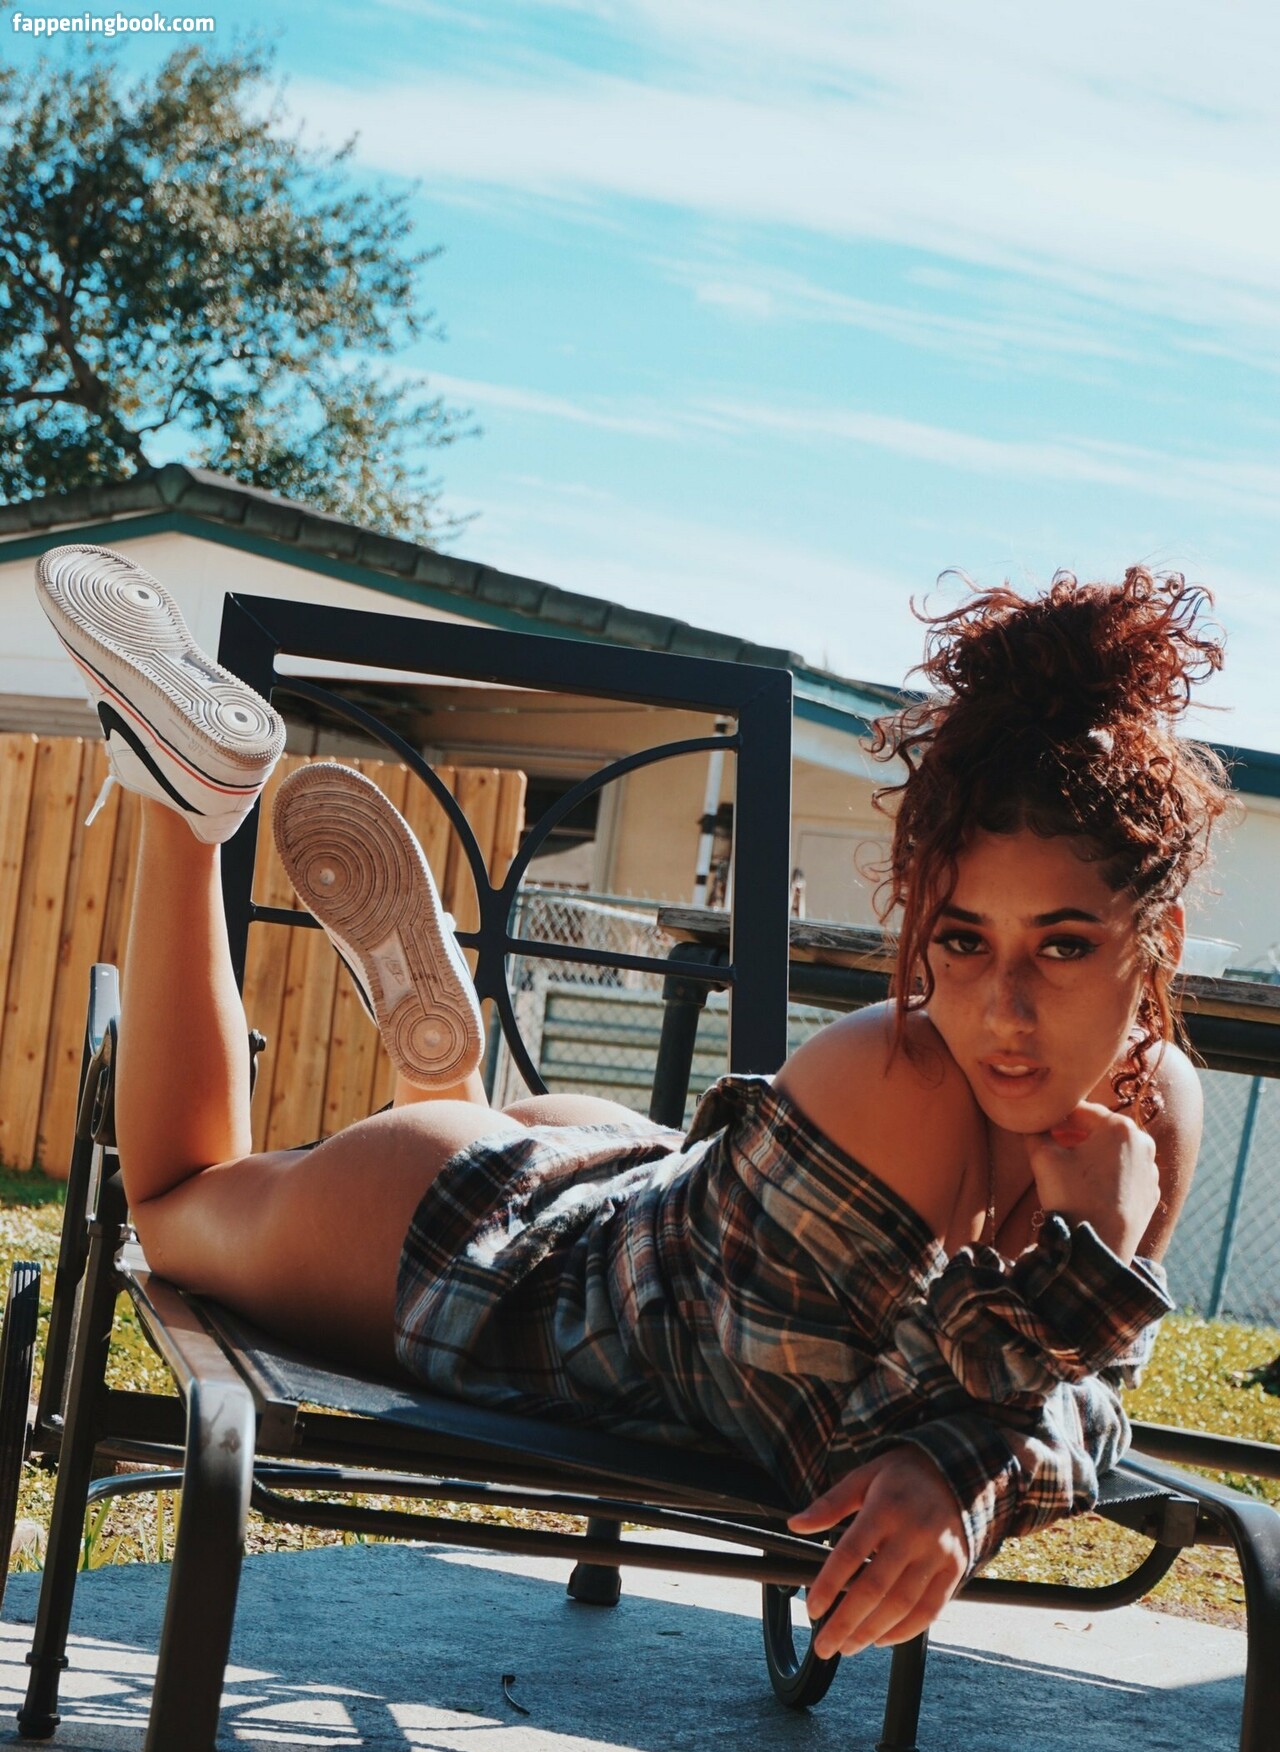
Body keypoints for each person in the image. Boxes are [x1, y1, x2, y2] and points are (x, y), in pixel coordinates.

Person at [34, 545, 1230, 1662]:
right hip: (480, 1252)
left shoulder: (1155, 1098)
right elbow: (826, 1459)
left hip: (632, 1192)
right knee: (177, 1203)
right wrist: (1086, 1263)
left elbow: (1078, 1397)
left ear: (1157, 941)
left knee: (444, 1161)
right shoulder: (895, 1084)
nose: (1003, 1012)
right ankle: (188, 805)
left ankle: (443, 1079)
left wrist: (983, 1439)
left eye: (1062, 947)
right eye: (961, 941)